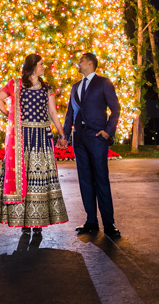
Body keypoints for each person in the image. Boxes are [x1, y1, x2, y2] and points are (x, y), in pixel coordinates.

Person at [0, 54, 69, 235]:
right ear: (32, 66)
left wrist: (61, 134)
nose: (44, 67)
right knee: (23, 179)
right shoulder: (16, 84)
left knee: (39, 180)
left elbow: (53, 113)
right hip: (22, 138)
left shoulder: (47, 88)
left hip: (41, 138)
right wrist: (10, 114)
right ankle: (24, 221)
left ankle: (38, 221)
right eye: (41, 64)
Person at [61, 52, 121, 237]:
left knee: (101, 179)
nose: (77, 64)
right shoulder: (75, 87)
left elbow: (116, 108)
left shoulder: (104, 83)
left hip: (97, 137)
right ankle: (91, 222)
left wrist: (107, 131)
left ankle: (109, 224)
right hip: (79, 138)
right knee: (85, 180)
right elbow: (70, 113)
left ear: (89, 63)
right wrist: (65, 135)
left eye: (80, 61)